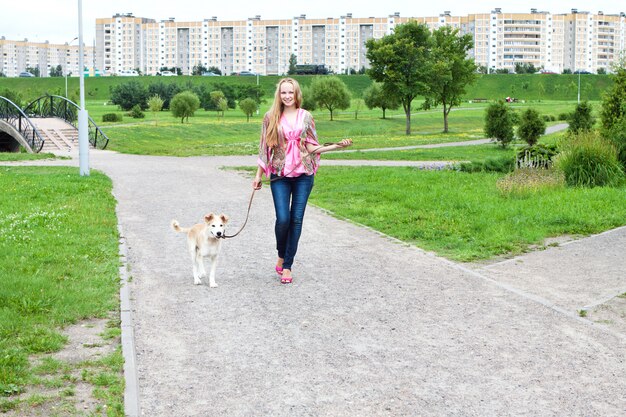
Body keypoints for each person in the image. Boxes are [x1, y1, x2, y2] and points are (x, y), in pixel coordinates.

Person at [253, 78, 352, 284]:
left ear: (296, 94)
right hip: (279, 175)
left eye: (290, 92)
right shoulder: (270, 117)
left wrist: (336, 147)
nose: (287, 96)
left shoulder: (306, 116)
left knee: (296, 219)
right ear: (278, 95)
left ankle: (287, 265)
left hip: (303, 175)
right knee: (283, 219)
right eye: (283, 93)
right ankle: (281, 253)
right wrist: (258, 176)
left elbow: (312, 146)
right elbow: (265, 149)